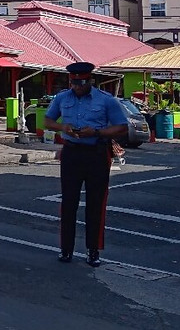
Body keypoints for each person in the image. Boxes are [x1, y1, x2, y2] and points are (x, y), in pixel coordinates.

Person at [44, 61, 129, 267]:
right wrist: (63, 127)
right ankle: (66, 250)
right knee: (68, 202)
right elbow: (48, 121)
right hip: (72, 153)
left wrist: (97, 132)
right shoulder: (62, 98)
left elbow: (122, 127)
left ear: (90, 80)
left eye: (81, 82)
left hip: (97, 154)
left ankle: (93, 251)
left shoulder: (106, 101)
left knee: (96, 203)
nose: (77, 87)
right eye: (74, 83)